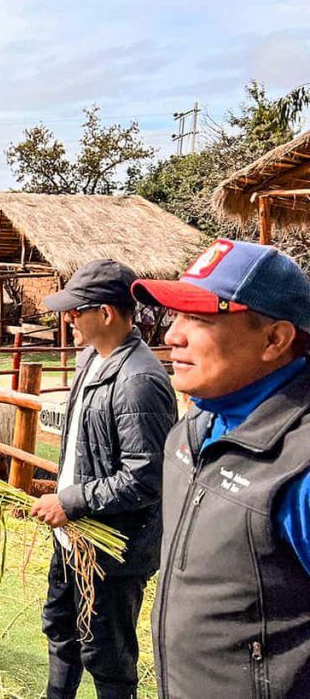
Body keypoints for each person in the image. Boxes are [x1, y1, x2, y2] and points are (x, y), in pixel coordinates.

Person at [132, 239, 310, 697]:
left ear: (275, 339)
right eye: (176, 316)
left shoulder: (300, 463)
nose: (172, 335)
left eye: (200, 319)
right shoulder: (191, 430)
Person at [34, 259, 176, 699]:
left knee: (108, 657)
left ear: (107, 313)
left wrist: (72, 502)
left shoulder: (139, 380)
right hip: (75, 539)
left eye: (76, 310)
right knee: (61, 631)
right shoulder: (90, 362)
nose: (68, 318)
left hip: (114, 549)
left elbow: (146, 477)